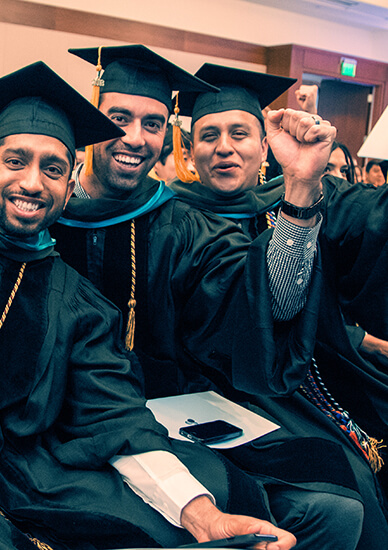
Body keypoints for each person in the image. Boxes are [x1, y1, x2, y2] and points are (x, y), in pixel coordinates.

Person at [0, 60, 298, 550]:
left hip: (20, 474)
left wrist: (202, 517)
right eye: (14, 161)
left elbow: (113, 416)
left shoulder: (76, 301)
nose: (31, 183)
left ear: (68, 185)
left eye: (52, 168)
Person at [50, 45, 365, 549]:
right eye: (118, 118)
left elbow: (267, 306)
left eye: (153, 123)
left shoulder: (182, 225)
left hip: (165, 416)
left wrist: (301, 188)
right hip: (55, 422)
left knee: (333, 504)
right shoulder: (42, 210)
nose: (135, 137)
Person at [169, 63, 388, 543]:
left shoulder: (303, 193)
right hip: (234, 392)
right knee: (351, 490)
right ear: (189, 151)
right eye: (208, 135)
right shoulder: (175, 219)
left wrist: (303, 181)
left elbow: (372, 223)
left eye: (239, 133)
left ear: (264, 145)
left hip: (320, 377)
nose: (224, 146)